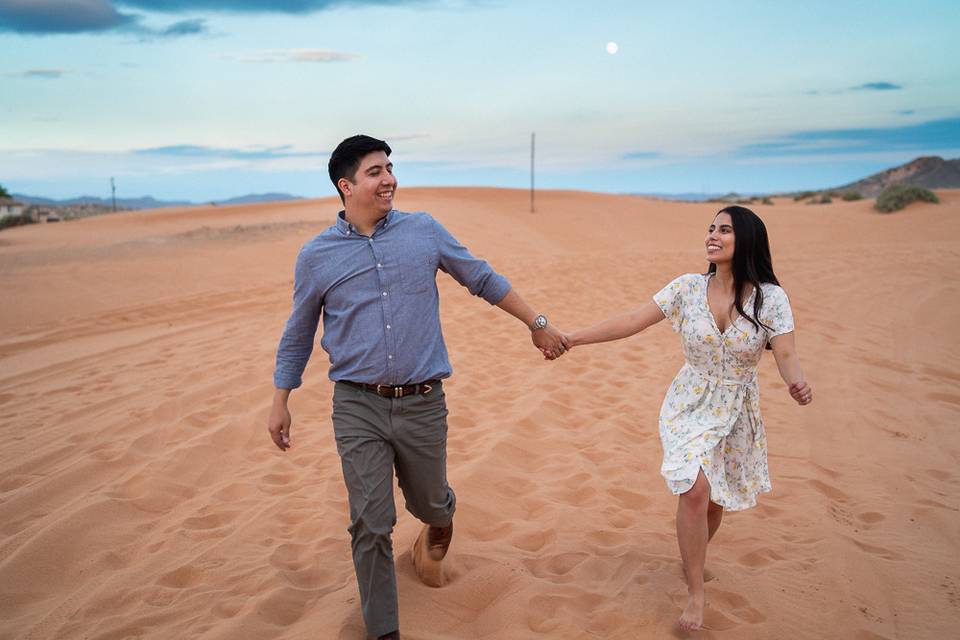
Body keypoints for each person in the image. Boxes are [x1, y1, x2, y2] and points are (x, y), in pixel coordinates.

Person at [267, 134, 567, 640]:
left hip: (423, 401)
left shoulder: (423, 231)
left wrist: (535, 321)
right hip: (356, 404)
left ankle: (437, 522)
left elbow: (481, 277)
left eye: (390, 168)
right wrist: (281, 399)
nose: (389, 179)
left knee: (430, 504)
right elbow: (298, 332)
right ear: (346, 186)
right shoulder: (316, 256)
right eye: (375, 172)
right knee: (370, 521)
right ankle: (384, 630)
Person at [562, 205, 812, 632]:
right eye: (711, 228)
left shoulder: (771, 298)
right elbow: (632, 320)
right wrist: (573, 338)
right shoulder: (687, 288)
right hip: (689, 401)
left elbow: (785, 351)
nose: (713, 235)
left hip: (736, 409)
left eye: (725, 230)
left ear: (747, 239)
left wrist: (797, 383)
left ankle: (690, 557)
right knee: (695, 489)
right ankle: (696, 592)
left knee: (714, 503)